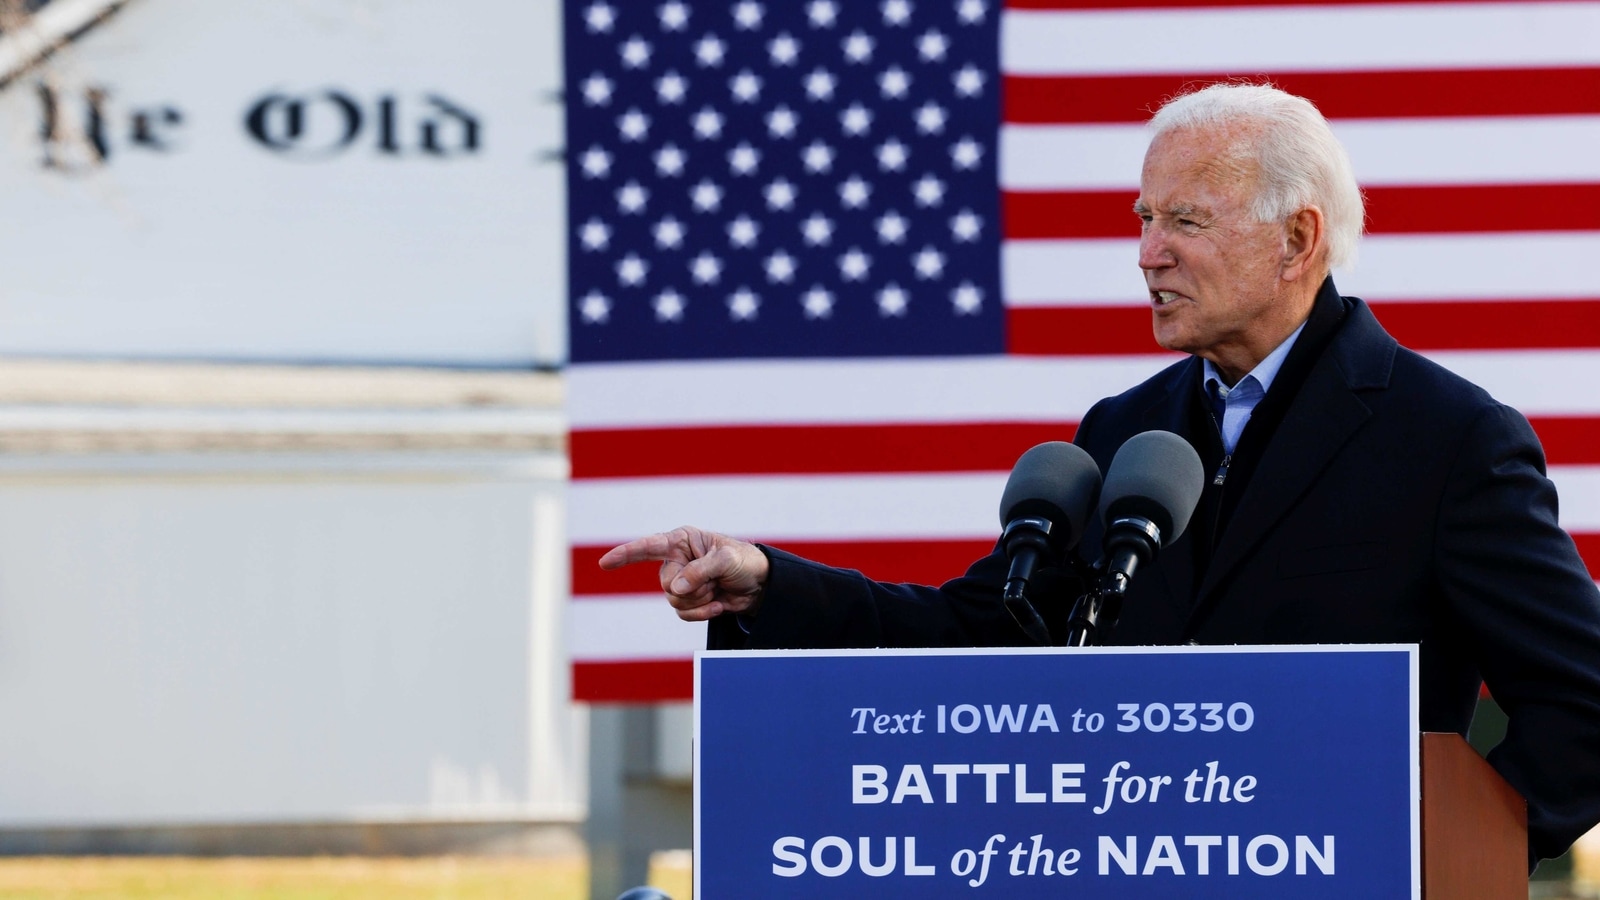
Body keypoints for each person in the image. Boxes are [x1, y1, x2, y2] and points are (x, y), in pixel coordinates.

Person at [598, 84, 1600, 866]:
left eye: (1185, 222)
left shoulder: (1448, 439)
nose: (1145, 254)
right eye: (1142, 217)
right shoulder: (1127, 432)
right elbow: (986, 631)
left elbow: (1580, 700)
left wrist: (1458, 848)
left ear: (1297, 239)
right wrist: (767, 581)